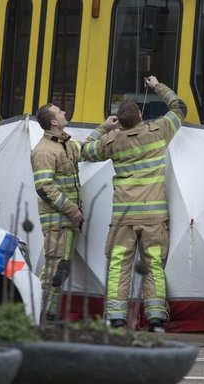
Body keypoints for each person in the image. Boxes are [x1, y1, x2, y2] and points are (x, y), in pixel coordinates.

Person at [80, 75, 186, 332]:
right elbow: (180, 108)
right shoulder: (159, 131)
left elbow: (85, 150)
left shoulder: (113, 140)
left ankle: (116, 317)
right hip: (153, 216)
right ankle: (156, 318)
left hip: (123, 217)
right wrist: (156, 86)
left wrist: (106, 127)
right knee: (153, 264)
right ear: (140, 114)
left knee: (118, 264)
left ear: (121, 121)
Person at [30, 103, 116, 322]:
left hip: (68, 221)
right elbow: (44, 188)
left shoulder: (65, 145)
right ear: (53, 122)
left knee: (61, 267)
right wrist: (72, 210)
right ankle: (40, 314)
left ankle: (49, 314)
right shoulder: (43, 151)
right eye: (60, 112)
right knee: (54, 267)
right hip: (58, 221)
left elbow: (86, 149)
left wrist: (105, 127)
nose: (64, 113)